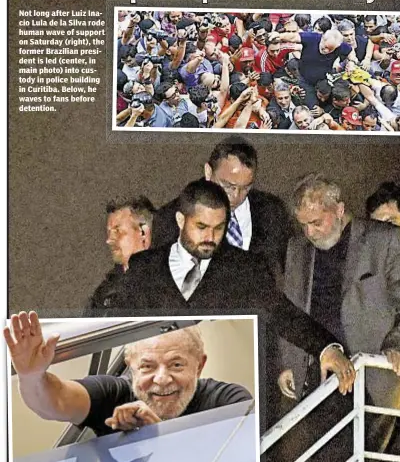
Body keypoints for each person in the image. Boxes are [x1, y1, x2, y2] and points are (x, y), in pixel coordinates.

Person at [89, 179, 356, 400]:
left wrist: (325, 347)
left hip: (218, 406)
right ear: (181, 220)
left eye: (219, 228)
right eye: (201, 227)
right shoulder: (144, 268)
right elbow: (119, 334)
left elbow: (282, 313)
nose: (210, 238)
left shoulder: (245, 269)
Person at [277, 174, 400, 462]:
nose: (310, 232)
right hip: (318, 379)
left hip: (373, 376)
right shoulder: (296, 248)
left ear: (340, 209)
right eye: (303, 225)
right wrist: (288, 363)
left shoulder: (384, 240)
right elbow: (289, 311)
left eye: (317, 222)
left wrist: (397, 346)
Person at [5, 312, 252, 437]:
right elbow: (55, 401)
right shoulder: (113, 393)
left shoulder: (229, 401)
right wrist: (32, 375)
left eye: (177, 365)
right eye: (147, 367)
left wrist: (160, 435)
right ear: (130, 366)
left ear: (199, 365)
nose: (162, 379)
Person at [151, 137, 292, 274]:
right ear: (208, 172)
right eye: (228, 186)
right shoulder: (170, 219)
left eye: (246, 188)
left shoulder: (273, 212)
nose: (236, 196)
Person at [84, 197, 155, 314]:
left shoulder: (170, 279)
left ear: (144, 233)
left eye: (117, 231)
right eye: (109, 232)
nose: (109, 240)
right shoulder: (103, 292)